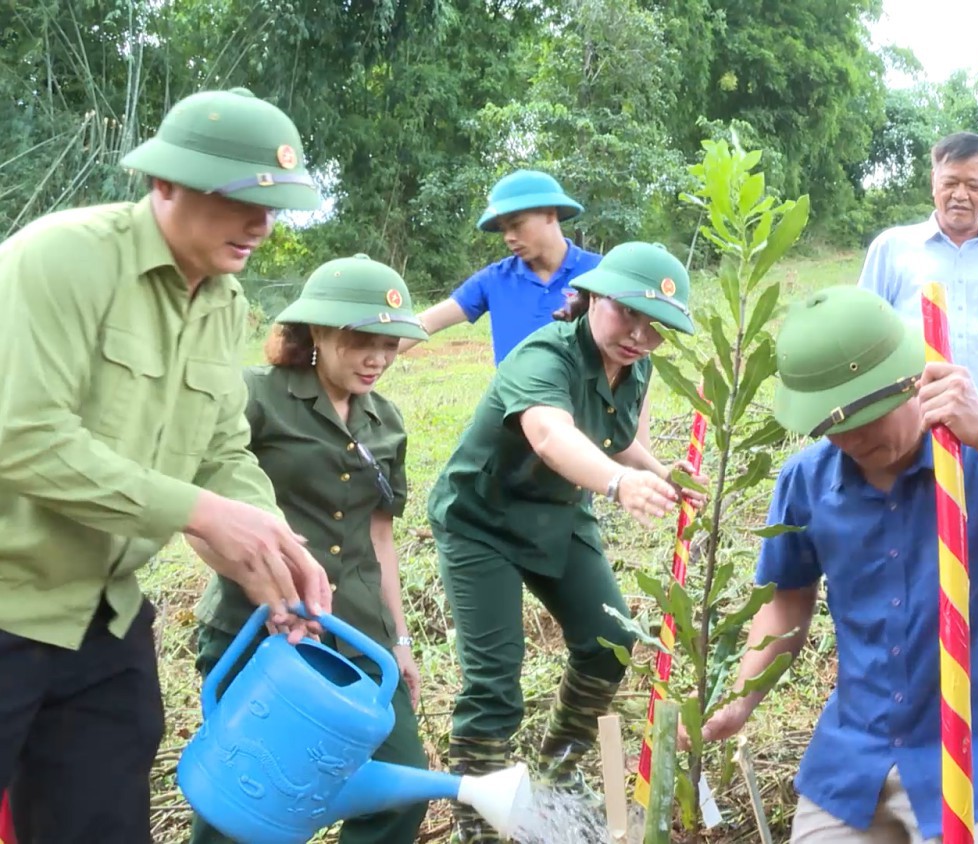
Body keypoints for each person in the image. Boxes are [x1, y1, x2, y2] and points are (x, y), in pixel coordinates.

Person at [0, 86, 334, 843]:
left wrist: (273, 548)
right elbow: (22, 437)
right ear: (166, 183)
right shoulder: (61, 259)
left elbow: (221, 451)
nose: (263, 223)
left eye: (275, 203)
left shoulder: (224, 303)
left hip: (103, 617)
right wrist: (200, 513)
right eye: (243, 199)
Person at [698, 286, 978, 843]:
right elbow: (787, 600)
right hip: (854, 760)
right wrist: (741, 700)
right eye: (830, 425)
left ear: (912, 380)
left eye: (864, 415)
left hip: (972, 757)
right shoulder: (806, 481)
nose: (849, 438)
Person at [427, 242, 706, 842]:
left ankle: (557, 770)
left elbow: (614, 436)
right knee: (495, 681)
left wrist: (657, 472)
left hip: (558, 512)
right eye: (627, 313)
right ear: (594, 297)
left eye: (656, 328)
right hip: (483, 520)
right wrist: (618, 483)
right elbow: (553, 436)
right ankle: (477, 819)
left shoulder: (636, 367)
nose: (638, 335)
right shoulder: (544, 357)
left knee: (611, 644)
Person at [185, 254, 431, 844]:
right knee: (242, 799)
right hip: (256, 631)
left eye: (390, 344)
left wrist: (399, 640)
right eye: (361, 340)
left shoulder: (386, 421)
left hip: (357, 639)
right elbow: (198, 515)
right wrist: (265, 591)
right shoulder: (255, 397)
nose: (377, 357)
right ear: (316, 331)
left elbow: (380, 538)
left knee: (402, 790)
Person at [858, 131, 978, 691]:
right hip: (909, 432)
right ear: (933, 182)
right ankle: (911, 690)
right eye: (950, 183)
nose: (960, 195)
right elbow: (864, 336)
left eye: (973, 185)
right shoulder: (893, 249)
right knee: (909, 557)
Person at [400, 170, 602, 363]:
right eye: (503, 230)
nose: (509, 238)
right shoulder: (495, 280)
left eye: (516, 225)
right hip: (516, 397)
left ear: (550, 214)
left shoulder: (600, 272)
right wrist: (373, 350)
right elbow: (425, 323)